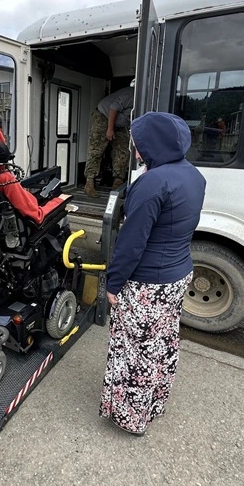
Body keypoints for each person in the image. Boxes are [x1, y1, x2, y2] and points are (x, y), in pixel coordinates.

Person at [99, 112, 206, 436]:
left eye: (139, 144)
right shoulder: (193, 175)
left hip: (147, 283)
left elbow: (131, 243)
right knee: (161, 342)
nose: (135, 150)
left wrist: (113, 283)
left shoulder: (152, 182)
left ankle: (131, 419)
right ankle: (155, 403)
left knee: (135, 351)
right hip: (178, 274)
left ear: (152, 144)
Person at [0, 124, 70, 224]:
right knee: (62, 219)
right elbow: (36, 216)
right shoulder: (4, 179)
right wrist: (59, 201)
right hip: (21, 229)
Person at [84, 85, 134, 197]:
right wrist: (110, 129)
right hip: (103, 116)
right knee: (96, 149)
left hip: (120, 124)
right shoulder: (132, 94)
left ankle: (118, 182)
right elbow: (114, 107)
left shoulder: (145, 100)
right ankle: (89, 183)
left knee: (123, 150)